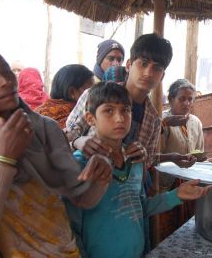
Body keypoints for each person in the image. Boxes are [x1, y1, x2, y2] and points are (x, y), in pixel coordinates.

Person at [0, 47, 113, 258]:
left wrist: (101, 178)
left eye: (6, 71)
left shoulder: (45, 129)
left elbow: (81, 198)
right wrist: (3, 160)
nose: (5, 81)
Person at [65, 82, 211, 258]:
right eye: (108, 111)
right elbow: (71, 229)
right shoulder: (81, 165)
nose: (119, 118)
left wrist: (176, 195)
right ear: (91, 118)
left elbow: (138, 208)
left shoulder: (134, 160)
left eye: (125, 110)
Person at [66, 33, 184, 170]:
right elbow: (62, 141)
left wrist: (143, 155)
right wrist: (77, 142)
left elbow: (146, 166)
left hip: (123, 189)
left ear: (162, 76)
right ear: (128, 65)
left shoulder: (153, 120)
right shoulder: (94, 96)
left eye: (157, 68)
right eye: (143, 63)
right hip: (84, 181)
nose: (148, 73)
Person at [156, 78, 205, 240]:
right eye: (181, 99)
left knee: (187, 231)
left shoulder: (195, 122)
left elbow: (199, 151)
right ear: (170, 99)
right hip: (166, 185)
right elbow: (154, 158)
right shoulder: (163, 123)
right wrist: (173, 160)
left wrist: (199, 158)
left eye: (190, 99)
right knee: (167, 231)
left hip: (189, 183)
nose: (186, 103)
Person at [36, 64, 94, 128]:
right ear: (71, 92)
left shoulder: (39, 111)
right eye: (90, 90)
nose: (95, 94)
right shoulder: (73, 119)